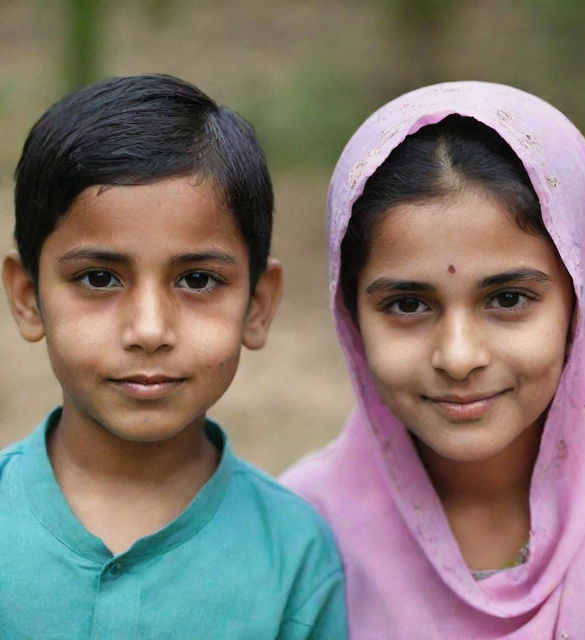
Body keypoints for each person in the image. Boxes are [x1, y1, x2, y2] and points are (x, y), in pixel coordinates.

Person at [282, 81, 585, 637]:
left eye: (507, 299)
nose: (457, 357)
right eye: (407, 304)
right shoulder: (298, 537)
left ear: (582, 305)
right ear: (349, 315)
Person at [1, 74, 346, 639]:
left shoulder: (294, 556)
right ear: (27, 297)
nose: (149, 330)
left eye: (197, 280)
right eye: (98, 277)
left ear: (258, 305)